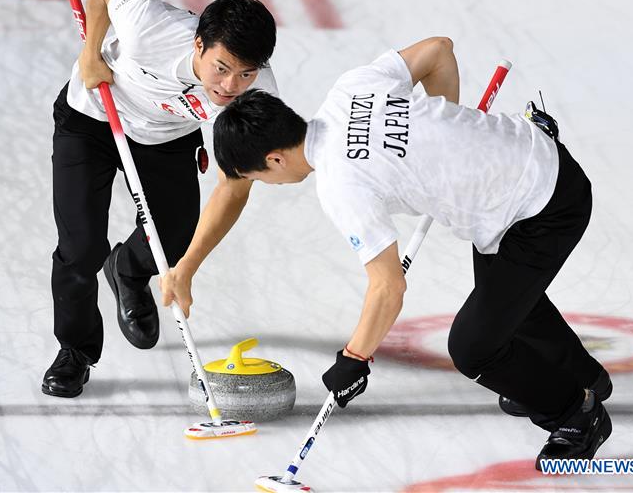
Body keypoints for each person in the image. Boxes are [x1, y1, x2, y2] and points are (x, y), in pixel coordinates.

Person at [201, 37, 612, 468]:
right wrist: (445, 130)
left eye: (257, 178)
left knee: (474, 347)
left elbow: (388, 286)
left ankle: (575, 413)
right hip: (528, 164)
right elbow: (438, 49)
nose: (267, 184)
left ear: (274, 160)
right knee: (508, 302)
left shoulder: (341, 185)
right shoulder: (349, 90)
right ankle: (586, 378)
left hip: (542, 208)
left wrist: (354, 359)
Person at [43, 0, 278, 398]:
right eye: (222, 68)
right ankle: (75, 351)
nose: (229, 86)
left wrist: (186, 268)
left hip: (165, 136)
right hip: (91, 115)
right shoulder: (150, 27)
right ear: (199, 45)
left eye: (245, 74)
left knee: (172, 241)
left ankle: (128, 270)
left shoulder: (256, 98)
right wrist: (91, 52)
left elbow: (234, 187)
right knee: (80, 248)